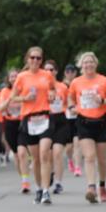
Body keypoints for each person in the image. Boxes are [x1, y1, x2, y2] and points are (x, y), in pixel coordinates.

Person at [67, 52, 106, 203]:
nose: (88, 65)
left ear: (96, 64)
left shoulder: (104, 80)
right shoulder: (76, 82)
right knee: (89, 157)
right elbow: (70, 96)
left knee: (102, 160)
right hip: (84, 122)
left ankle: (102, 185)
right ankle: (91, 188)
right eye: (85, 62)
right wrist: (71, 106)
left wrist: (102, 100)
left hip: (101, 122)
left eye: (91, 62)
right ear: (81, 65)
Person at [12, 46, 57, 205]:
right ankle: (38, 188)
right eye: (33, 57)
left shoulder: (47, 75)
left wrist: (52, 95)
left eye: (38, 58)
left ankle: (46, 191)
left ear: (42, 60)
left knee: (45, 153)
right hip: (29, 119)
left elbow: (53, 91)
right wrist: (25, 98)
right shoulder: (22, 77)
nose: (35, 61)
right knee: (36, 158)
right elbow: (13, 98)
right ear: (27, 59)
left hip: (45, 116)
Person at [0, 69, 28, 191]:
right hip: (9, 123)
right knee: (16, 155)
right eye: (12, 76)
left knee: (22, 152)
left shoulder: (24, 89)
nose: (14, 78)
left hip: (22, 122)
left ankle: (25, 182)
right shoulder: (5, 91)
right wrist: (10, 98)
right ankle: (23, 178)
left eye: (16, 76)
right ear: (8, 79)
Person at [43, 59, 70, 195]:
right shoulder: (41, 86)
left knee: (58, 153)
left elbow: (69, 101)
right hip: (45, 120)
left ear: (56, 72)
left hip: (60, 120)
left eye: (51, 70)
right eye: (46, 70)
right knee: (47, 154)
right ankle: (50, 173)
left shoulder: (63, 87)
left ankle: (58, 183)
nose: (48, 72)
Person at [63, 63, 83, 177]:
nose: (70, 73)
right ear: (65, 73)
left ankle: (77, 167)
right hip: (66, 118)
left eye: (72, 71)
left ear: (75, 73)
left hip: (78, 117)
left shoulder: (79, 84)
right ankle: (70, 160)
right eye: (67, 72)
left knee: (77, 144)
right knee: (69, 147)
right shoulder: (62, 86)